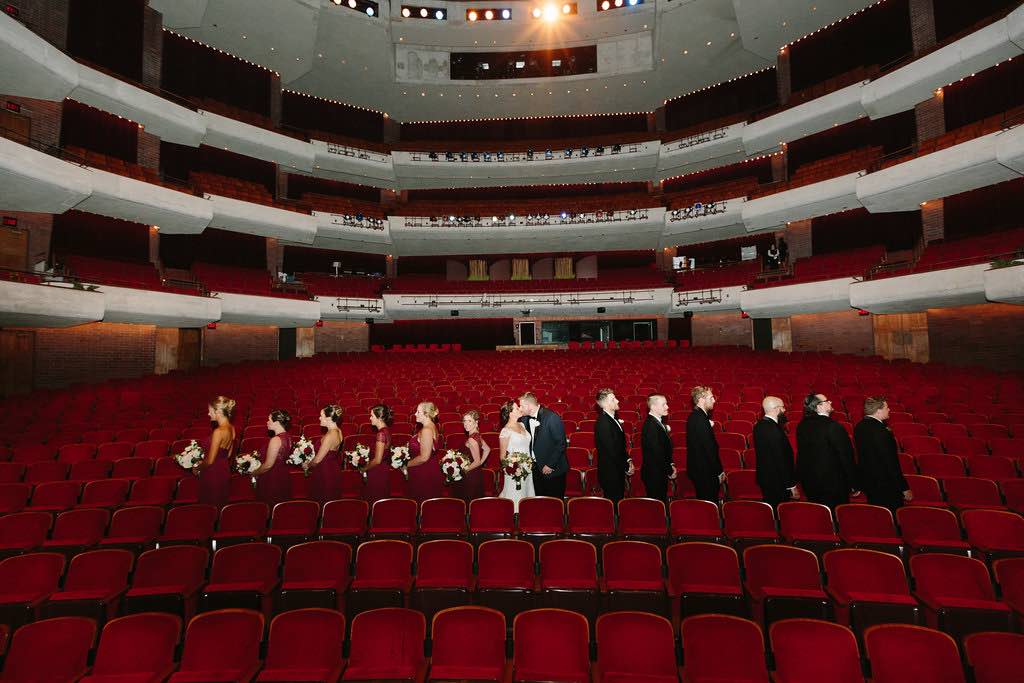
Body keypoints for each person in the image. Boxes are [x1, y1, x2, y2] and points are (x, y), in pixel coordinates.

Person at [796, 393, 859, 509]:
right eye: (827, 401)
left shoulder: (802, 425)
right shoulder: (833, 426)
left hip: (810, 484)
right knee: (837, 517)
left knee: (820, 517)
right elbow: (846, 457)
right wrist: (854, 483)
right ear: (818, 406)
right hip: (833, 485)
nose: (830, 402)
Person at [855, 396, 911, 513]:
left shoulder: (859, 427)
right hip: (887, 484)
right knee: (893, 515)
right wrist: (904, 487)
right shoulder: (882, 431)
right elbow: (891, 462)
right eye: (887, 407)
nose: (889, 409)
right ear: (878, 410)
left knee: (878, 515)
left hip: (869, 481)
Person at [518, 392, 568, 498]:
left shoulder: (551, 417)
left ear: (529, 406)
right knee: (540, 502)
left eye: (521, 406)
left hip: (553, 470)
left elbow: (561, 444)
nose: (520, 408)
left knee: (555, 503)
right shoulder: (524, 419)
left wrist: (550, 464)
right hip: (535, 470)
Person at [753, 396, 798, 507]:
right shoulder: (774, 429)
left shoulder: (759, 425)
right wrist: (791, 485)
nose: (784, 410)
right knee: (780, 511)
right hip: (778, 481)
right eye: (782, 407)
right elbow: (781, 459)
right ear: (776, 409)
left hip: (765, 478)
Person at [197, 396, 237, 507]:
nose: (208, 414)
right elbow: (228, 454)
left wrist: (197, 467)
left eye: (210, 411)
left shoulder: (218, 431)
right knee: (219, 504)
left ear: (218, 411)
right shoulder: (232, 428)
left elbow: (210, 461)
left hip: (213, 472)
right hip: (224, 470)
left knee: (209, 506)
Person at [687, 385, 724, 502]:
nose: (714, 400)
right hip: (705, 472)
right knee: (709, 505)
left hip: (700, 470)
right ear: (702, 399)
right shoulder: (700, 419)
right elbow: (709, 449)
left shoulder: (696, 416)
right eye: (711, 397)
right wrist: (719, 471)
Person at [594, 388, 632, 503]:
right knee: (614, 505)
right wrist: (626, 466)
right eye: (613, 399)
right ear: (605, 404)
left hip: (616, 470)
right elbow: (612, 451)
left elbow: (620, 446)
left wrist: (628, 460)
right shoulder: (603, 423)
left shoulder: (611, 419)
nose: (617, 401)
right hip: (611, 474)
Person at [499, 400, 535, 510]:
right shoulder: (505, 431)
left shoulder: (522, 424)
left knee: (526, 494)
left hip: (527, 469)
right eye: (516, 408)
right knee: (514, 496)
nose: (520, 408)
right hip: (515, 471)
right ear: (510, 413)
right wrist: (513, 469)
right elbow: (502, 456)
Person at [641, 393, 675, 503]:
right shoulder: (651, 425)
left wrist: (670, 464)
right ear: (653, 407)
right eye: (664, 404)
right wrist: (669, 470)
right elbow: (657, 453)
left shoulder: (656, 422)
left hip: (658, 472)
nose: (667, 407)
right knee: (657, 507)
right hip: (654, 474)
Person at [254, 409, 293, 506]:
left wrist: (254, 473)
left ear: (276, 423)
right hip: (282, 475)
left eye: (269, 420)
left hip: (272, 478)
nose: (267, 422)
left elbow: (268, 465)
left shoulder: (276, 439)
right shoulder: (288, 436)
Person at [307, 404, 344, 504]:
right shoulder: (339, 431)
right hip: (332, 468)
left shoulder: (330, 434)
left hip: (324, 471)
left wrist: (307, 465)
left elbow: (318, 459)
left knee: (323, 500)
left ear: (329, 418)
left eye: (321, 416)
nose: (319, 418)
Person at [407, 401, 443, 502]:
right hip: (428, 469)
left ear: (426, 414)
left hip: (424, 473)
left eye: (418, 412)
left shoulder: (427, 430)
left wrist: (406, 464)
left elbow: (424, 457)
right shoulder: (432, 426)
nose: (415, 414)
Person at [454, 410, 490, 501]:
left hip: (470, 477)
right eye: (464, 421)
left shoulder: (472, 439)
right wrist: (481, 462)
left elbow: (477, 461)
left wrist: (462, 471)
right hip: (476, 474)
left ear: (476, 422)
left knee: (468, 503)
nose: (466, 424)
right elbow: (487, 449)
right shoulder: (477, 435)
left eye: (469, 421)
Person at [363, 404, 392, 505]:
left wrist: (364, 468)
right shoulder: (386, 430)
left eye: (371, 416)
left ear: (379, 417)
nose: (370, 418)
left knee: (375, 501)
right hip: (383, 470)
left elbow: (377, 460)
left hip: (378, 472)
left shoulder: (381, 433)